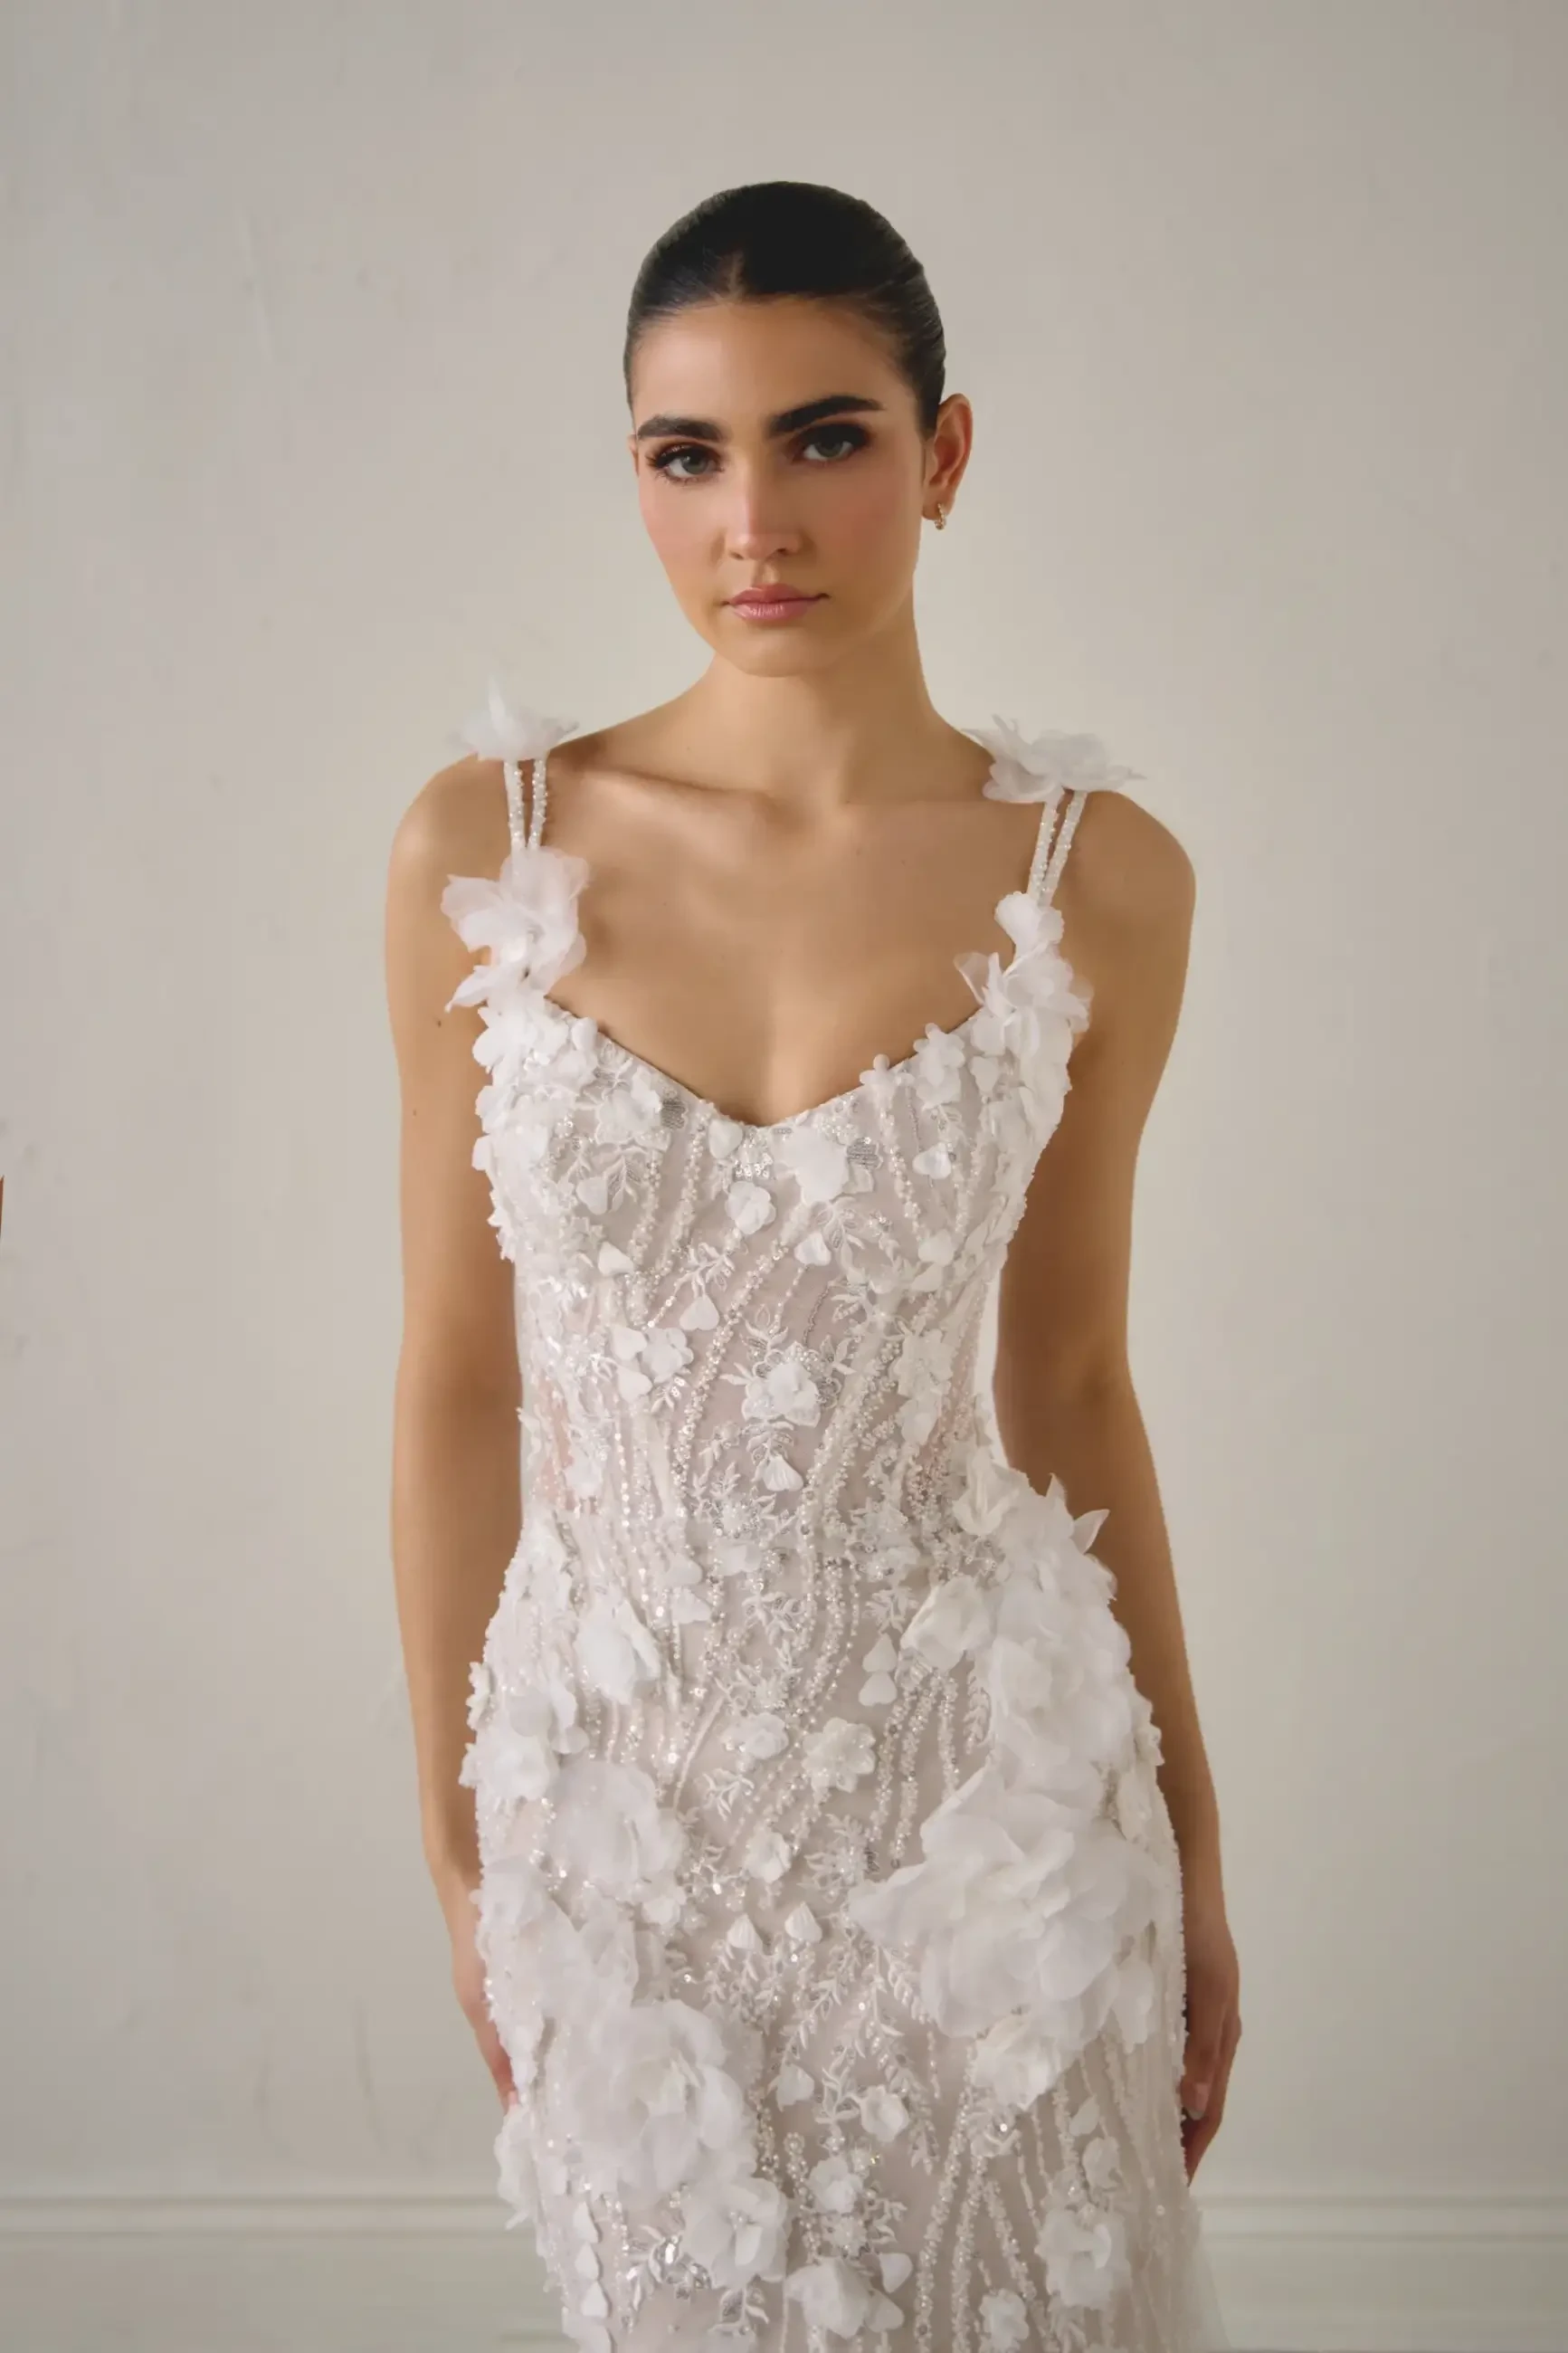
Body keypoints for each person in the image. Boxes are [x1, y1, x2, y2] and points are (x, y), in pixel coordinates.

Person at [385, 180, 1237, 2353]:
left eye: (823, 436)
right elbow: (457, 1386)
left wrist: (1197, 1861)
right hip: (627, 1848)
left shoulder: (1094, 886)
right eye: (688, 454)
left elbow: (1067, 1392)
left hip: (989, 1831)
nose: (752, 516)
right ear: (639, 475)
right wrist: (462, 1851)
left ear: (941, 454)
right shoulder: (484, 854)